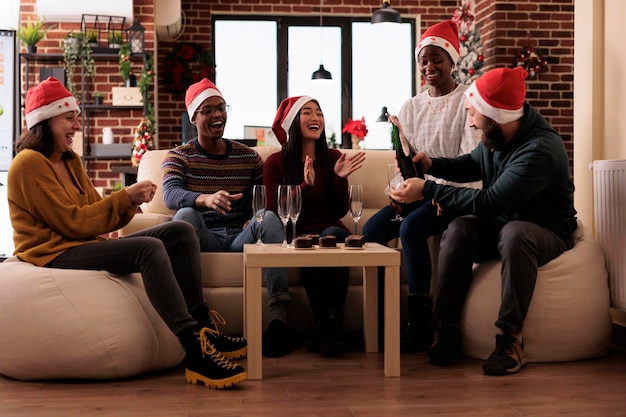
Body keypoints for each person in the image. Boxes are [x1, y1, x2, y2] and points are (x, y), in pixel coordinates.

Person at [8, 77, 247, 389]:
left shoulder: (70, 160)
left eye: (76, 117)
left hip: (81, 243)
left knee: (179, 232)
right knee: (148, 249)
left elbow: (95, 214)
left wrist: (129, 201)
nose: (77, 126)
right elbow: (73, 223)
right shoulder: (28, 164)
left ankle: (204, 327)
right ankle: (195, 352)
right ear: (45, 120)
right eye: (69, 118)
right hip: (53, 252)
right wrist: (126, 197)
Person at [389, 66, 577, 376]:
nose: (471, 121)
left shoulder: (538, 150)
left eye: (474, 114)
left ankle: (510, 340)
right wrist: (430, 163)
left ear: (494, 116)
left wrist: (428, 188)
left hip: (545, 231)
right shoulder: (498, 134)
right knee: (460, 228)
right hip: (505, 223)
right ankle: (446, 329)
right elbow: (470, 164)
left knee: (516, 233)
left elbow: (489, 203)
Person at [362, 20, 480, 352]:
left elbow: (471, 160)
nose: (429, 67)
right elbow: (406, 163)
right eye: (423, 61)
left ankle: (419, 319)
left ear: (451, 61)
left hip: (454, 194)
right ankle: (384, 318)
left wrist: (438, 192)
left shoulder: (466, 101)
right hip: (420, 193)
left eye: (436, 59)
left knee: (411, 228)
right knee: (371, 231)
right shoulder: (411, 107)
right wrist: (399, 190)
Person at [161, 78, 290, 358]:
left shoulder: (249, 157)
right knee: (184, 215)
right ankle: (196, 324)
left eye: (221, 107)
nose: (217, 114)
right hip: (203, 237)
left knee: (268, 218)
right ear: (193, 117)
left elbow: (264, 200)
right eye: (207, 110)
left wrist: (254, 216)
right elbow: (170, 195)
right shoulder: (178, 156)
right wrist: (204, 199)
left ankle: (279, 321)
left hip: (240, 237)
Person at [263, 96, 366, 356]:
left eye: (319, 112)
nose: (316, 118)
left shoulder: (333, 157)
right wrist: (305, 186)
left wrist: (340, 179)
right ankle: (331, 327)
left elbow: (340, 211)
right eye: (307, 112)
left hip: (331, 229)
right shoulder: (275, 163)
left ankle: (329, 325)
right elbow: (274, 210)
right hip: (298, 234)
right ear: (292, 123)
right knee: (309, 243)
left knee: (331, 236)